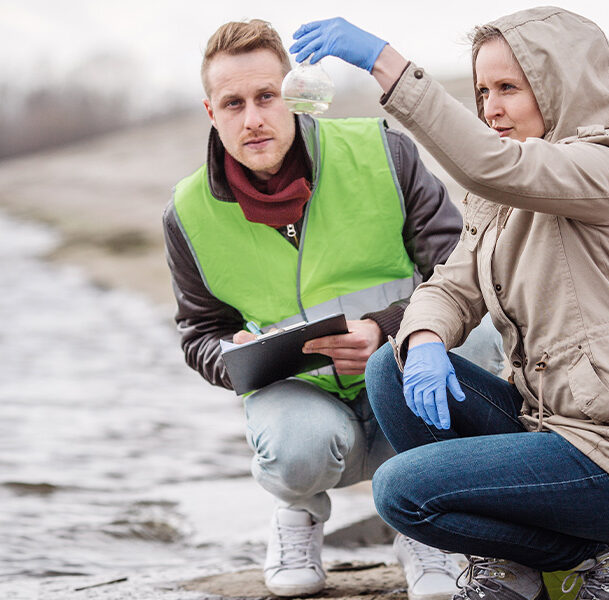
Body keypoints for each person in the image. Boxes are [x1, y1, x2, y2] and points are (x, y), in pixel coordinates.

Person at [290, 7, 609, 600]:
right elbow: (448, 286)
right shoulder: (499, 203)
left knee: (401, 491)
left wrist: (384, 61)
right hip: (555, 431)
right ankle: (517, 566)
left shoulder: (605, 169)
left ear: (558, 86)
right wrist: (426, 339)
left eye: (509, 88)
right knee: (393, 363)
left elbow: (493, 165)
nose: (490, 108)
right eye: (482, 90)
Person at [164, 19, 505, 598]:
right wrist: (234, 355)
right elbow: (201, 333)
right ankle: (296, 513)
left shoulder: (381, 150)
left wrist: (386, 329)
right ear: (210, 111)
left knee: (475, 343)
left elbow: (459, 267)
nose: (253, 119)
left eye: (267, 96)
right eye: (233, 103)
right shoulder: (186, 213)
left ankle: (422, 519)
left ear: (293, 94)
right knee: (296, 447)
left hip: (399, 371)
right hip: (304, 399)